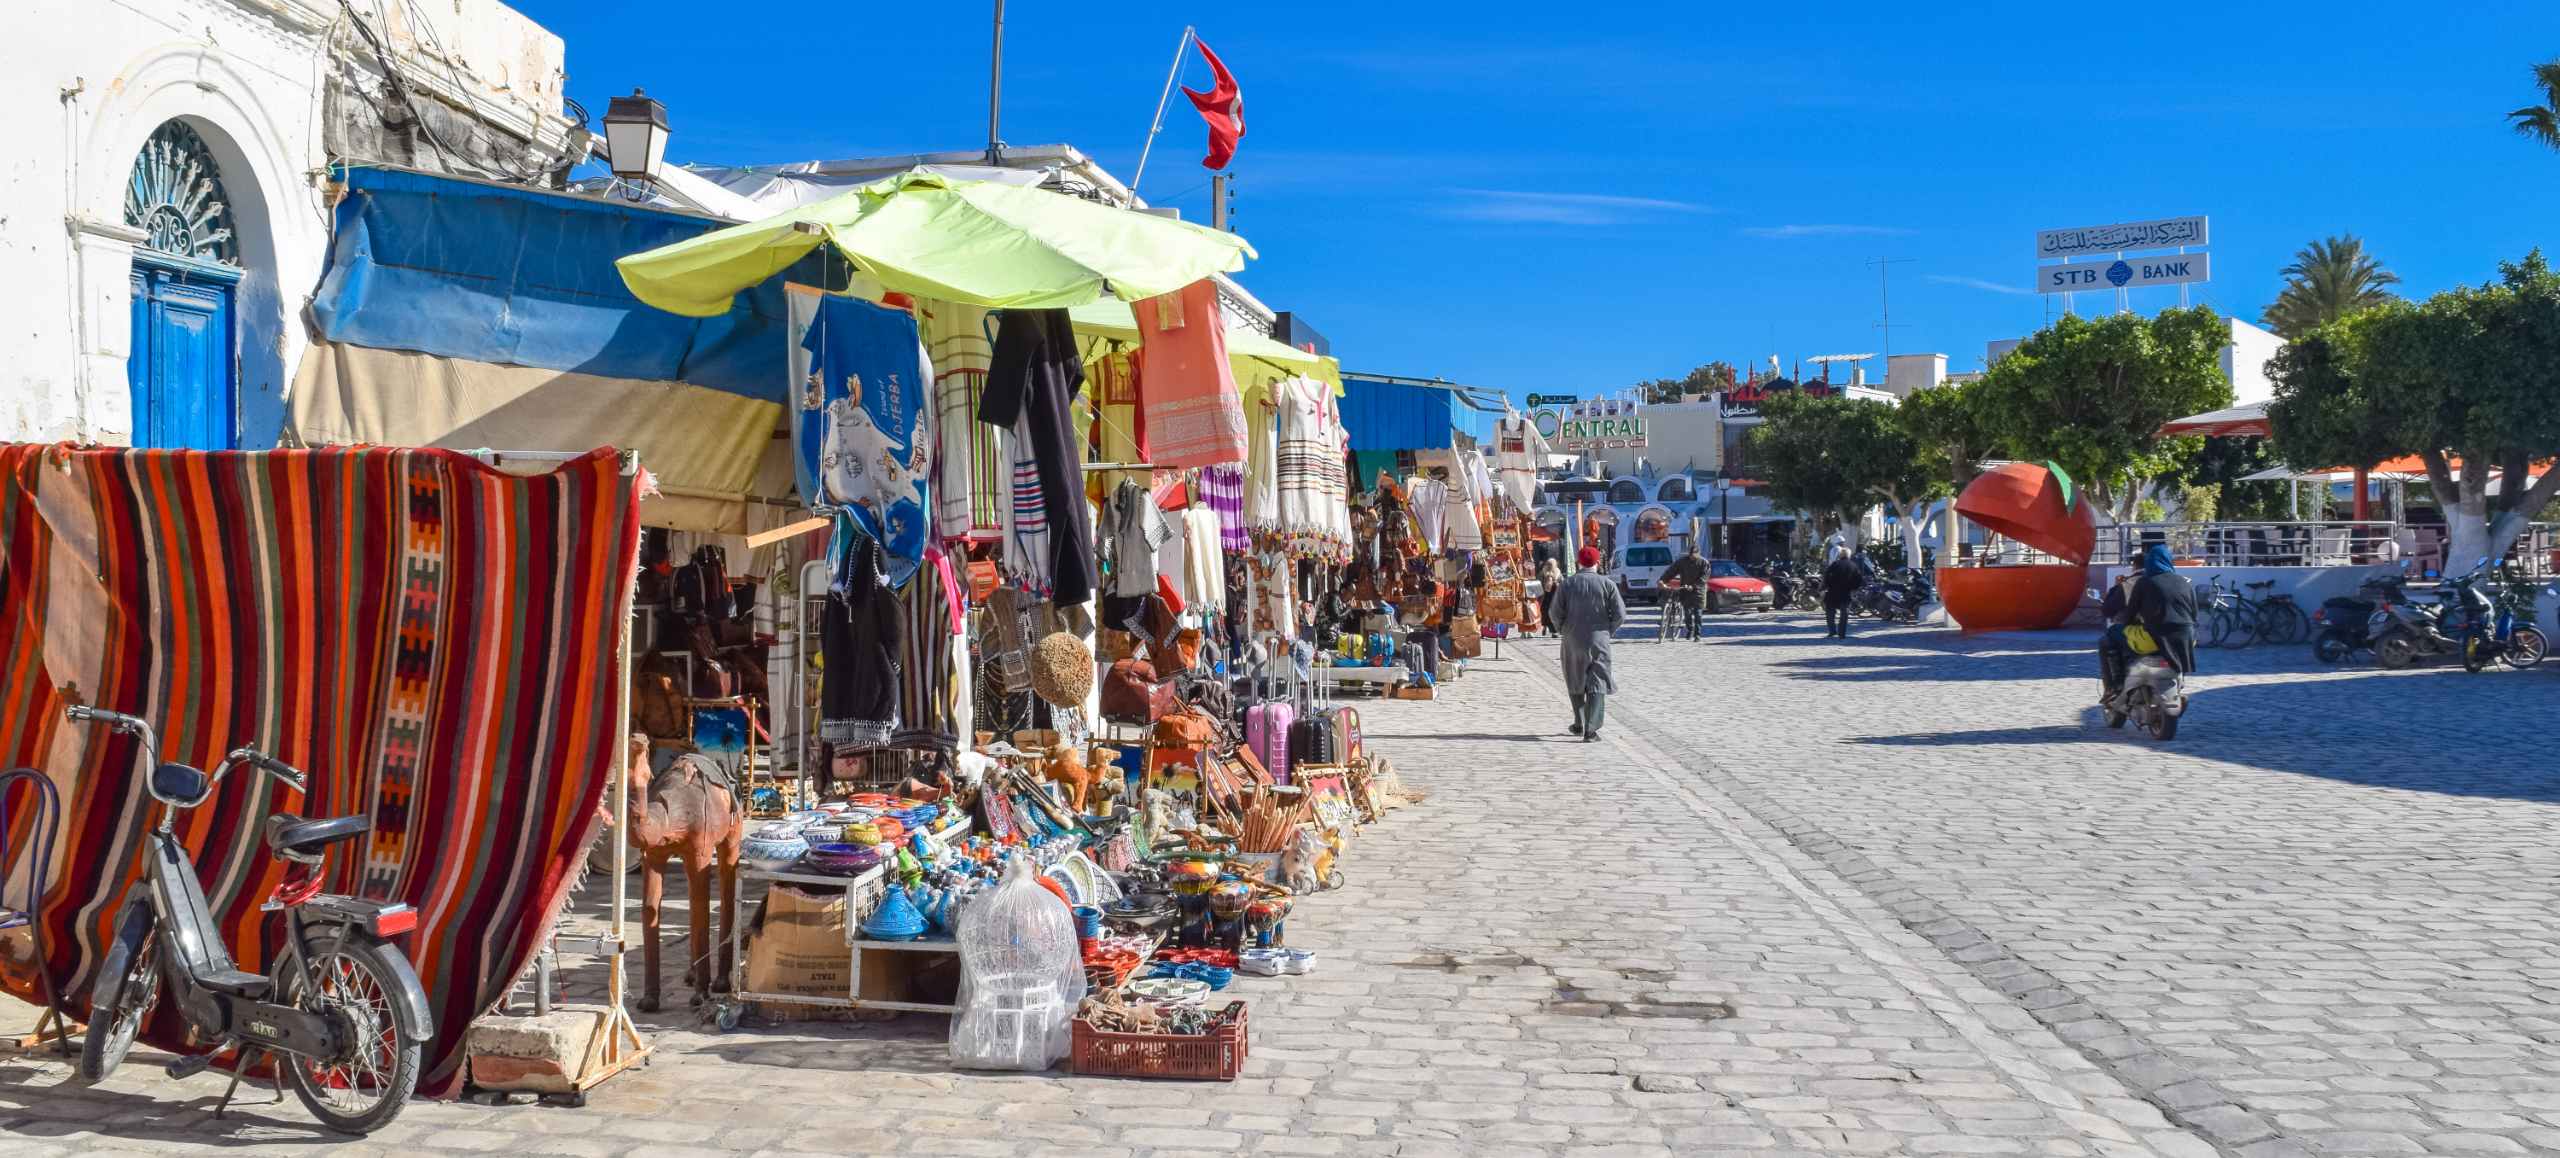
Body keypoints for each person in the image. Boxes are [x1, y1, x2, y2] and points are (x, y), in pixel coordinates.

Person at [1552, 545, 1625, 741]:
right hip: (1599, 639)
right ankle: (1591, 729)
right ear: (1597, 562)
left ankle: (1580, 722)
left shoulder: (1567, 584)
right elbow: (1620, 614)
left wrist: (1563, 629)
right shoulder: (1607, 584)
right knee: (1597, 680)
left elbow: (1554, 613)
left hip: (1572, 639)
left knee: (1575, 679)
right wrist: (1608, 630)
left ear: (1578, 562)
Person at [2126, 543, 2198, 675]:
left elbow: (2131, 612)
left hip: (2155, 637)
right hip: (2186, 638)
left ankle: (2115, 685)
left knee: (2111, 638)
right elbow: (2194, 614)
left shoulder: (2144, 582)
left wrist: (2126, 624)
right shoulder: (2184, 582)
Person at [2098, 569, 2139, 696]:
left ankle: (2114, 685)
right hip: (2175, 637)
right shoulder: (2178, 582)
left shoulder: (2132, 584)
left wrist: (2117, 587)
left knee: (2107, 639)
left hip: (2143, 632)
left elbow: (2108, 609)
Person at [1662, 542, 1709, 640]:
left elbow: (1704, 578)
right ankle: (1690, 629)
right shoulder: (1682, 562)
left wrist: (1694, 586)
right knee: (1687, 613)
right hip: (1685, 590)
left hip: (1698, 592)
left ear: (1698, 553)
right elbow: (1671, 571)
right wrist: (1662, 580)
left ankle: (1697, 634)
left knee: (1698, 614)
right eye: (1691, 555)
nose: (1692, 557)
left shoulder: (1704, 563)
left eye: (1694, 555)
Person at [1820, 545, 1862, 638]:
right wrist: (1853, 589)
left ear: (1840, 555)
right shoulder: (1853, 566)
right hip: (1846, 593)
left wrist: (1824, 588)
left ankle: (1832, 630)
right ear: (1849, 555)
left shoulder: (1834, 564)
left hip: (1832, 592)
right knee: (1844, 614)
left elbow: (1826, 577)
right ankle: (1842, 633)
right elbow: (1858, 580)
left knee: (1830, 612)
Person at [1536, 553, 1564, 638]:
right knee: (1550, 611)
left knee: (1547, 611)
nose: (1550, 565)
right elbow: (1563, 582)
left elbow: (1562, 582)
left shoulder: (1548, 572)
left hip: (1549, 595)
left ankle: (1548, 628)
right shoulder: (1555, 572)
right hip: (1550, 595)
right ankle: (1552, 630)